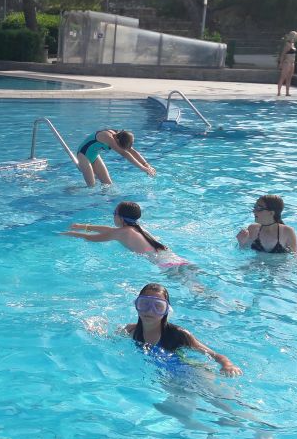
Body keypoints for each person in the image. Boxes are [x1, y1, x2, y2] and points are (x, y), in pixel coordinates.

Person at [123, 283, 242, 377]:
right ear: (136, 305)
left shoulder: (179, 334)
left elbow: (215, 355)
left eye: (158, 306)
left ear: (166, 310)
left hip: (192, 373)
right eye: (144, 304)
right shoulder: (130, 330)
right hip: (164, 377)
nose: (150, 310)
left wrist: (228, 365)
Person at [61, 201, 189, 268]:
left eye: (114, 213)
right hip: (175, 259)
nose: (113, 216)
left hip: (165, 264)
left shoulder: (123, 232)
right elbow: (110, 230)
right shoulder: (136, 228)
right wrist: (84, 226)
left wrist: (72, 234)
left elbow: (92, 238)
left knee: (195, 290)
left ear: (121, 218)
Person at [75, 129, 156, 187]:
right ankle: (72, 190)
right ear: (117, 140)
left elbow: (132, 151)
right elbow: (125, 153)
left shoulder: (121, 137)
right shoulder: (108, 137)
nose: (119, 147)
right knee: (91, 186)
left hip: (94, 156)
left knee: (107, 185)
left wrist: (147, 165)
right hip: (83, 155)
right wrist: (143, 168)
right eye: (119, 146)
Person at [277, 31, 297, 97]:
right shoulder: (287, 44)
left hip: (292, 63)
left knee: (289, 78)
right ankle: (279, 92)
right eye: (295, 36)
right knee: (283, 77)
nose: (296, 38)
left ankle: (287, 92)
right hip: (287, 62)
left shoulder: (293, 44)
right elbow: (283, 54)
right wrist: (281, 63)